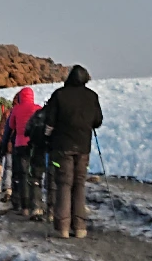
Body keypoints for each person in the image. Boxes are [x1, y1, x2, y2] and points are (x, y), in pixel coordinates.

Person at [45, 65, 102, 239]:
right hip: (83, 147)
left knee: (64, 184)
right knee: (79, 184)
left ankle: (62, 227)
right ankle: (80, 227)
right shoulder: (92, 96)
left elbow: (49, 121)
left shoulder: (60, 94)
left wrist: (47, 136)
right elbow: (97, 121)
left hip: (62, 146)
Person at [7, 87, 44, 216]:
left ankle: (25, 207)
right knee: (35, 176)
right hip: (34, 146)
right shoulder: (38, 108)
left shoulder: (16, 109)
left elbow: (11, 126)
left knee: (22, 175)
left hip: (20, 145)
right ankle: (37, 205)